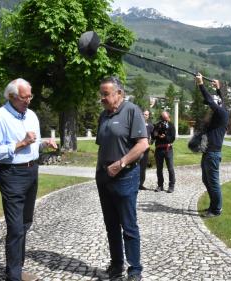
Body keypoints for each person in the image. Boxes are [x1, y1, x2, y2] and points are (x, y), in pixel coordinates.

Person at [0, 78, 57, 281]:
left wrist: (44, 143)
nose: (29, 100)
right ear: (12, 97)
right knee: (16, 227)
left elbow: (33, 146)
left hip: (31, 172)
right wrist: (21, 143)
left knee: (25, 223)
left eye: (30, 96)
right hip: (11, 175)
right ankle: (14, 276)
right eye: (25, 97)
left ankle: (17, 267)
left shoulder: (32, 116)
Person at [95, 76, 149, 281]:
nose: (102, 98)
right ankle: (116, 265)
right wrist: (102, 171)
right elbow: (103, 145)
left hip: (125, 176)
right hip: (104, 176)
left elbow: (142, 144)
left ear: (119, 93)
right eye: (101, 94)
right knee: (111, 224)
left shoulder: (132, 111)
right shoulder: (104, 116)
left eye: (106, 94)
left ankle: (135, 270)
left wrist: (121, 164)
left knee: (128, 224)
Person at [195, 73, 229, 218]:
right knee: (206, 179)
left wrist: (201, 84)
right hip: (208, 152)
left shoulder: (222, 113)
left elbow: (210, 101)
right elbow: (218, 100)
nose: (210, 108)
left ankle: (217, 210)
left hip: (213, 153)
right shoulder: (221, 111)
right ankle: (213, 205)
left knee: (213, 182)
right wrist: (218, 88)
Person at [152, 111, 176, 193]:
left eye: (165, 118)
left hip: (168, 149)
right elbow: (153, 136)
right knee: (159, 169)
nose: (164, 120)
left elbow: (172, 138)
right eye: (162, 118)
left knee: (170, 168)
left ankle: (171, 186)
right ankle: (160, 185)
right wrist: (157, 134)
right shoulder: (158, 124)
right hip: (159, 149)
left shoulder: (171, 125)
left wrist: (165, 137)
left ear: (168, 117)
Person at [139, 109, 154, 190]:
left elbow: (154, 136)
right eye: (144, 114)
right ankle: (134, 183)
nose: (145, 116)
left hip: (145, 149)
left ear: (148, 116)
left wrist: (151, 142)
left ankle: (141, 184)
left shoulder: (150, 126)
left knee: (143, 167)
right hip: (137, 148)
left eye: (146, 115)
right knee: (136, 166)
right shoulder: (137, 124)